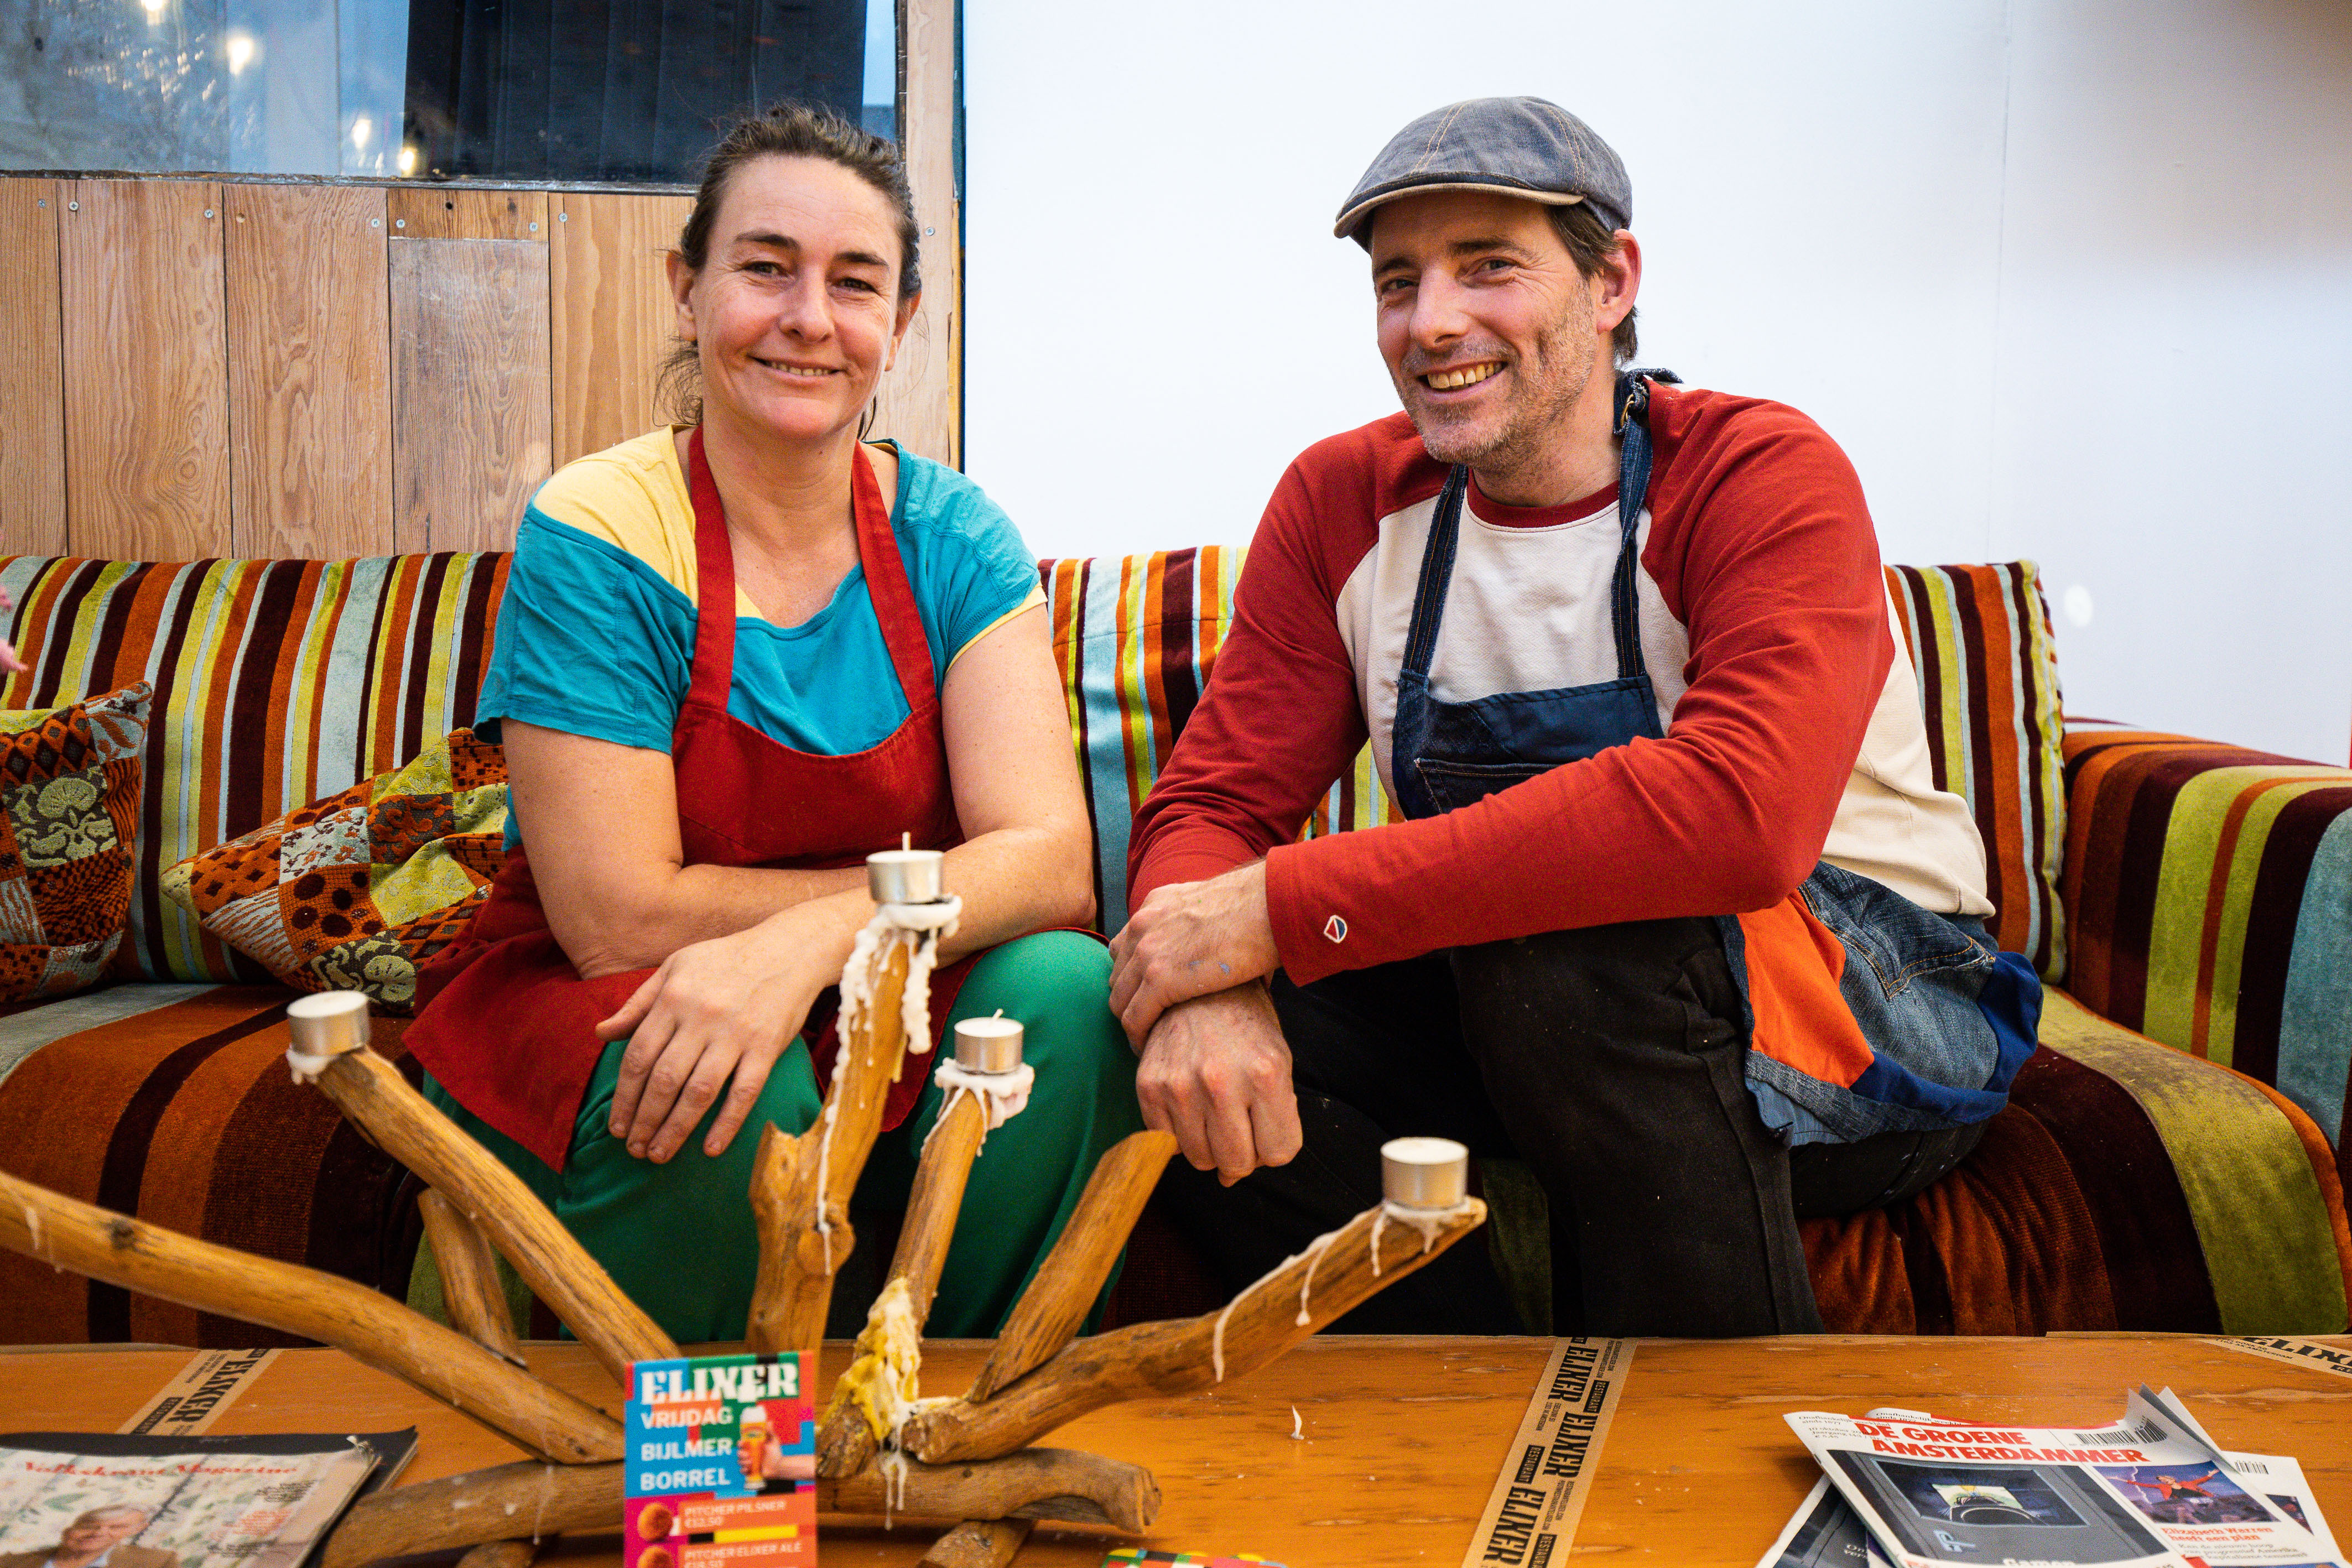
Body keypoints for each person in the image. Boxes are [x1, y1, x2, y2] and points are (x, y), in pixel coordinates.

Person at [1107, 97, 2041, 1337]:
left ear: (1611, 281)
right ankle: (1450, 1396)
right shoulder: (1341, 499)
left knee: (1574, 947)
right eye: (1397, 282)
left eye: (1486, 265)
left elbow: (1736, 819)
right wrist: (1199, 984)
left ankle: (1700, 1478)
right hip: (1536, 1018)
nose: (1430, 320)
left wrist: (1277, 909)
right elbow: (1214, 804)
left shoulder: (1758, 473)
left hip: (1870, 997)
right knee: (1122, 1014)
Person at [404, 104, 1142, 1343]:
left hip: (881, 983)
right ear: (687, 290)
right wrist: (847, 930)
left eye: (855, 283)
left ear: (897, 323)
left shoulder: (955, 537)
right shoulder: (597, 530)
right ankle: (722, 1478)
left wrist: (819, 943)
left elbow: (1049, 862)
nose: (809, 316)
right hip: (617, 991)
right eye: (764, 268)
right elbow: (616, 917)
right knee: (745, 1086)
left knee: (1066, 993)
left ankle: (926, 1404)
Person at [0, 1507, 174, 1568]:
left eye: (115, 1527)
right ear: (68, 1531)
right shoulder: (9, 1563)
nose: (98, 1533)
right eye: (89, 1526)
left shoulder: (157, 1562)